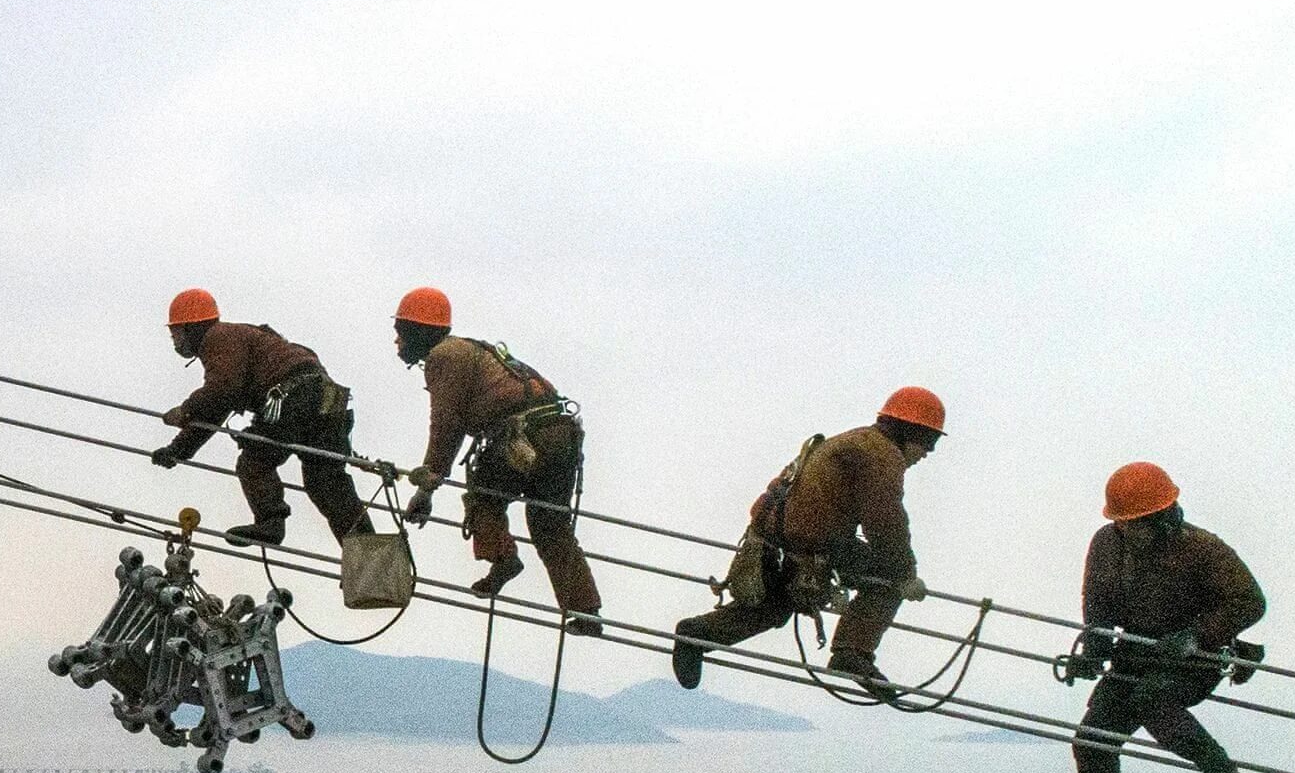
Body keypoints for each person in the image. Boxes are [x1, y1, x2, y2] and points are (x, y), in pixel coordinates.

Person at [1059, 462, 1267, 773]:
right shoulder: (1107, 544)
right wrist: (1093, 653)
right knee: (1091, 743)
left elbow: (1249, 601)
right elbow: (1098, 608)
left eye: (1141, 523)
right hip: (1135, 656)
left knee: (1151, 699)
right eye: (1126, 524)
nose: (1132, 532)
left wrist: (1195, 636)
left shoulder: (1201, 548)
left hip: (1193, 660)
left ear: (1164, 516)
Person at [669, 386, 947, 697]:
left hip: (776, 536)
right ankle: (851, 652)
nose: (926, 455)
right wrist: (906, 575)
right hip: (813, 542)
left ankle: (698, 634)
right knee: (886, 581)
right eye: (927, 445)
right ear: (913, 433)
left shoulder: (852, 441)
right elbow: (886, 522)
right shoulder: (881, 454)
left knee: (775, 606)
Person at [391, 285, 600, 633]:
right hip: (560, 435)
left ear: (417, 331)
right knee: (550, 525)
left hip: (525, 434)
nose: (396, 342)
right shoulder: (473, 351)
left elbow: (446, 425)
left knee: (483, 498)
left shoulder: (446, 357)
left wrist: (426, 489)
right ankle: (586, 611)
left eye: (400, 332)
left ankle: (503, 558)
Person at [145, 289, 374, 549]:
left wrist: (186, 410)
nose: (175, 341)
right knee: (327, 484)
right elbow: (219, 407)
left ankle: (270, 521)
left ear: (190, 328)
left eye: (175, 333)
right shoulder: (248, 338)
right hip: (328, 398)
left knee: (254, 461)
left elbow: (223, 389)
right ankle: (371, 562)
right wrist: (179, 450)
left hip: (291, 395)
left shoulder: (218, 338)